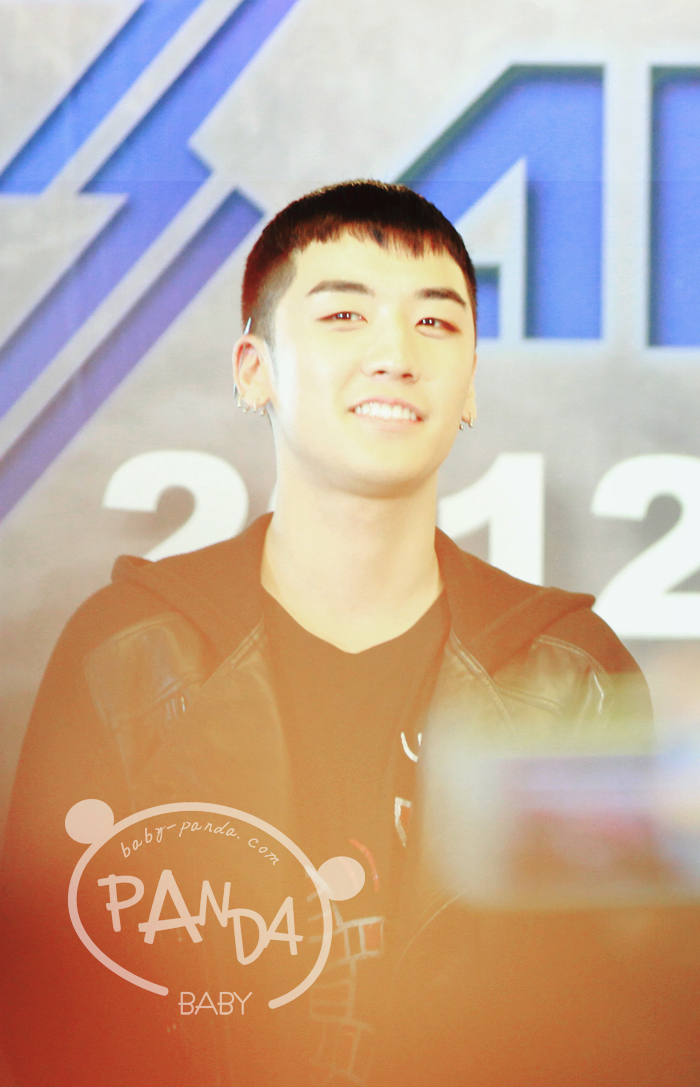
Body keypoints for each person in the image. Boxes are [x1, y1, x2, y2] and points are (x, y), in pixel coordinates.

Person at [1, 180, 682, 1087]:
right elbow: (48, 1028)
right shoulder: (131, 651)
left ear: (470, 384)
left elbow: (623, 1032)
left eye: (434, 323)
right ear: (254, 369)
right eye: (344, 315)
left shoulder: (570, 673)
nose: (395, 355)